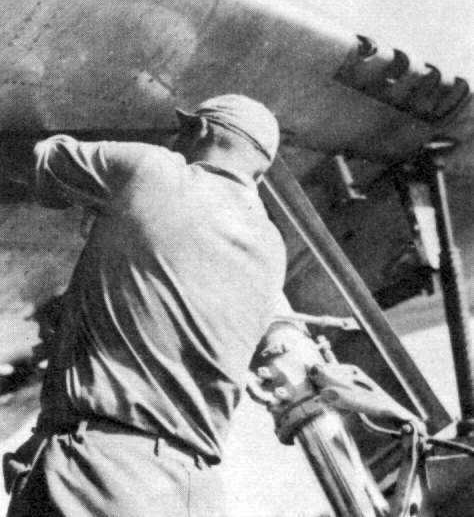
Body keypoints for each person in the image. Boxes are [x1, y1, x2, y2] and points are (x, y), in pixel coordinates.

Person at [4, 94, 287, 516]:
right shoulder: (271, 247)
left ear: (202, 131)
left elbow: (40, 160)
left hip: (100, 476)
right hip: (192, 491)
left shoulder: (156, 172)